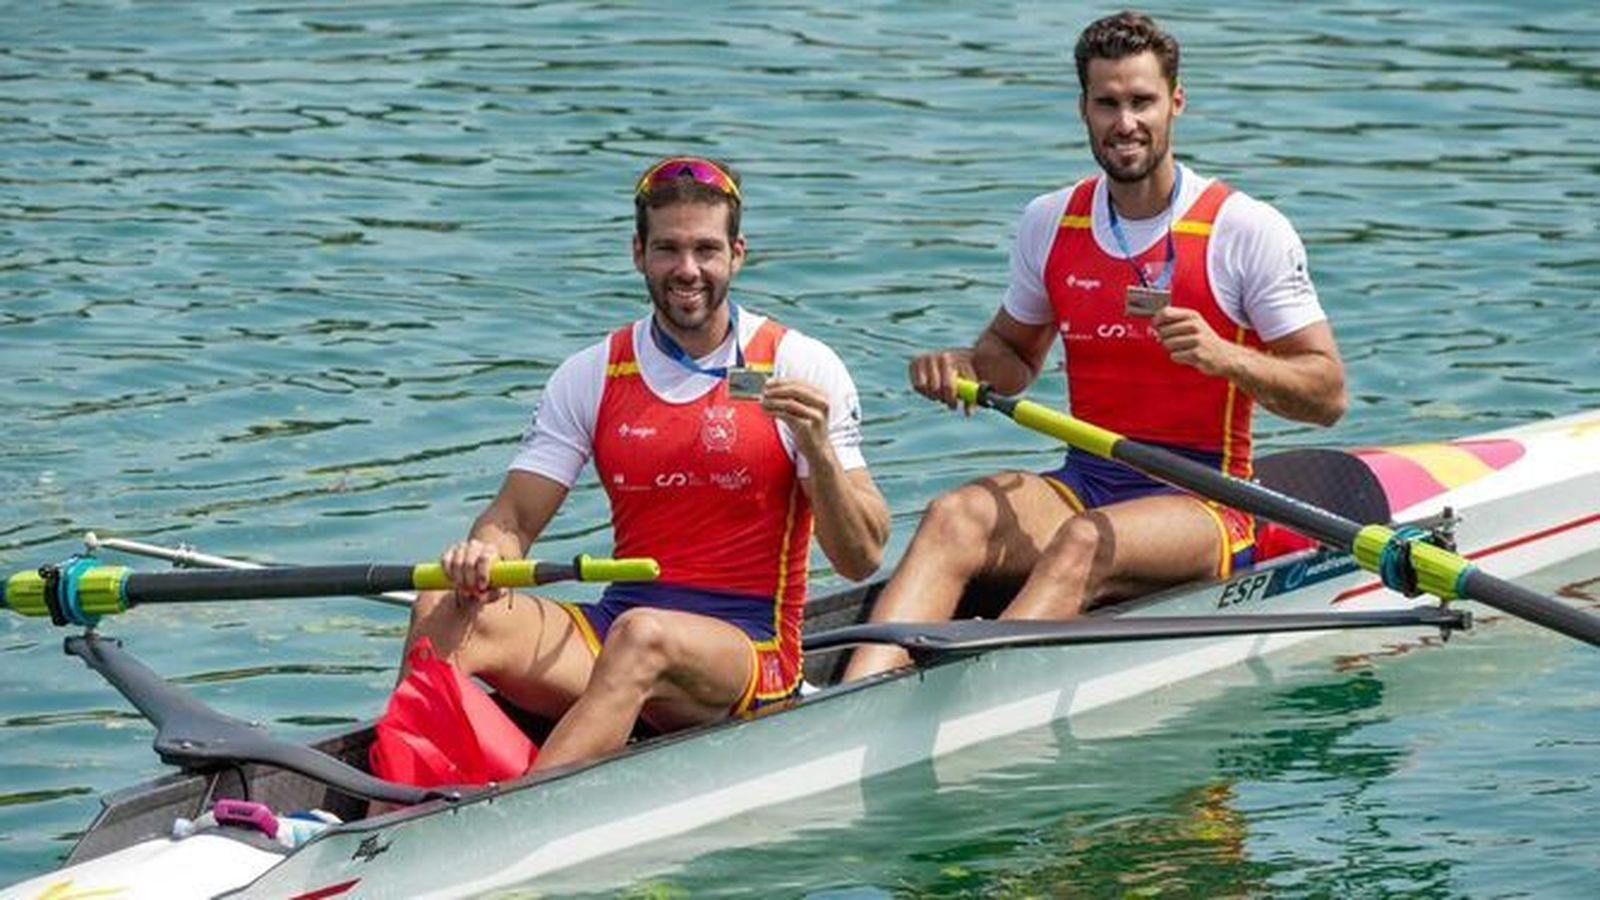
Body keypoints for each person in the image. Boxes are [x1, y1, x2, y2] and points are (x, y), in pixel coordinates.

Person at [844, 10, 1347, 680]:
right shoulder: (1050, 221)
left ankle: (977, 696)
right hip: (1087, 479)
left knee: (1084, 542)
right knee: (953, 514)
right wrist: (961, 365)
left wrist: (1224, 356)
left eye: (1141, 101)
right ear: (1083, 107)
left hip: (1209, 503)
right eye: (1107, 103)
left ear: (1176, 102)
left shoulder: (1244, 229)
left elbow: (1327, 395)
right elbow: (1013, 359)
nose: (1125, 122)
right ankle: (856, 695)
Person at [405, 156, 890, 773]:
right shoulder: (594, 373)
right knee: (442, 608)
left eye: (706, 250)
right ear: (638, 253)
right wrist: (483, 558)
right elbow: (513, 517)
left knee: (642, 636)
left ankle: (507, 821)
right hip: (620, 628)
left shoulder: (800, 365)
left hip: (751, 651)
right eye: (668, 249)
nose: (688, 270)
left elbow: (861, 560)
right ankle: (380, 810)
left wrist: (818, 450)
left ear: (737, 254)